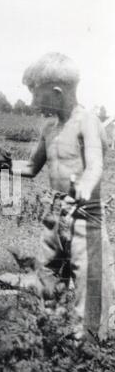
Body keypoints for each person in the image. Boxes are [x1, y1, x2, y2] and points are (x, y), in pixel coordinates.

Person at [13, 52, 115, 340]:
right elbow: (31, 167)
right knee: (47, 281)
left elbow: (95, 163)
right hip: (53, 216)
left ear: (57, 93)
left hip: (84, 216)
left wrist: (85, 184)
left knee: (89, 286)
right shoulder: (49, 128)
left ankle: (89, 350)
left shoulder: (88, 122)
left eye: (35, 94)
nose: (32, 102)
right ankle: (51, 341)